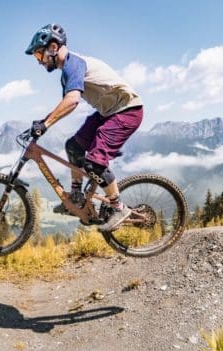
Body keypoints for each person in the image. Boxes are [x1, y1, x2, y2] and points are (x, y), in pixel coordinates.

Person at [25, 23, 143, 232]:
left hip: (127, 111)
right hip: (109, 112)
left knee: (94, 163)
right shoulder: (67, 71)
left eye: (38, 56)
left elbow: (72, 101)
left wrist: (45, 125)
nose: (39, 62)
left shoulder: (74, 64)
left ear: (53, 48)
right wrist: (43, 121)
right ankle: (77, 196)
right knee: (73, 147)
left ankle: (118, 207)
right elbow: (65, 105)